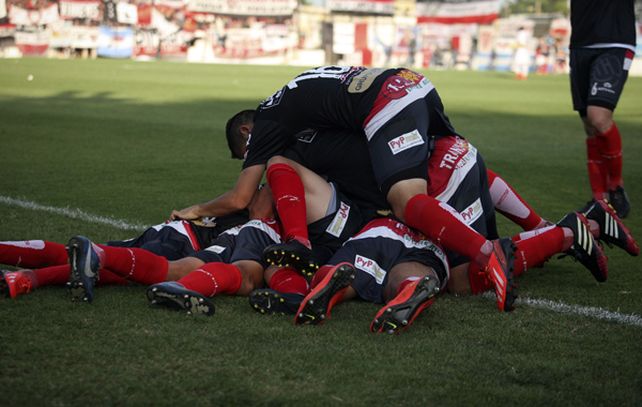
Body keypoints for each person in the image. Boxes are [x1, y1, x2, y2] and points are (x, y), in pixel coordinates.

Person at [202, 66, 517, 312]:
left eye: (245, 152)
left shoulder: (269, 119)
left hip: (388, 102)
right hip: (410, 86)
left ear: (247, 131)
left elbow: (241, 196)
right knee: (459, 270)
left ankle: (489, 253)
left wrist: (197, 210)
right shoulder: (304, 121)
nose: (250, 159)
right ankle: (541, 232)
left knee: (407, 202)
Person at [569, 0, 636, 218]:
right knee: (590, 126)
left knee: (598, 116)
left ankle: (616, 186)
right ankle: (599, 200)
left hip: (614, 42)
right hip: (580, 44)